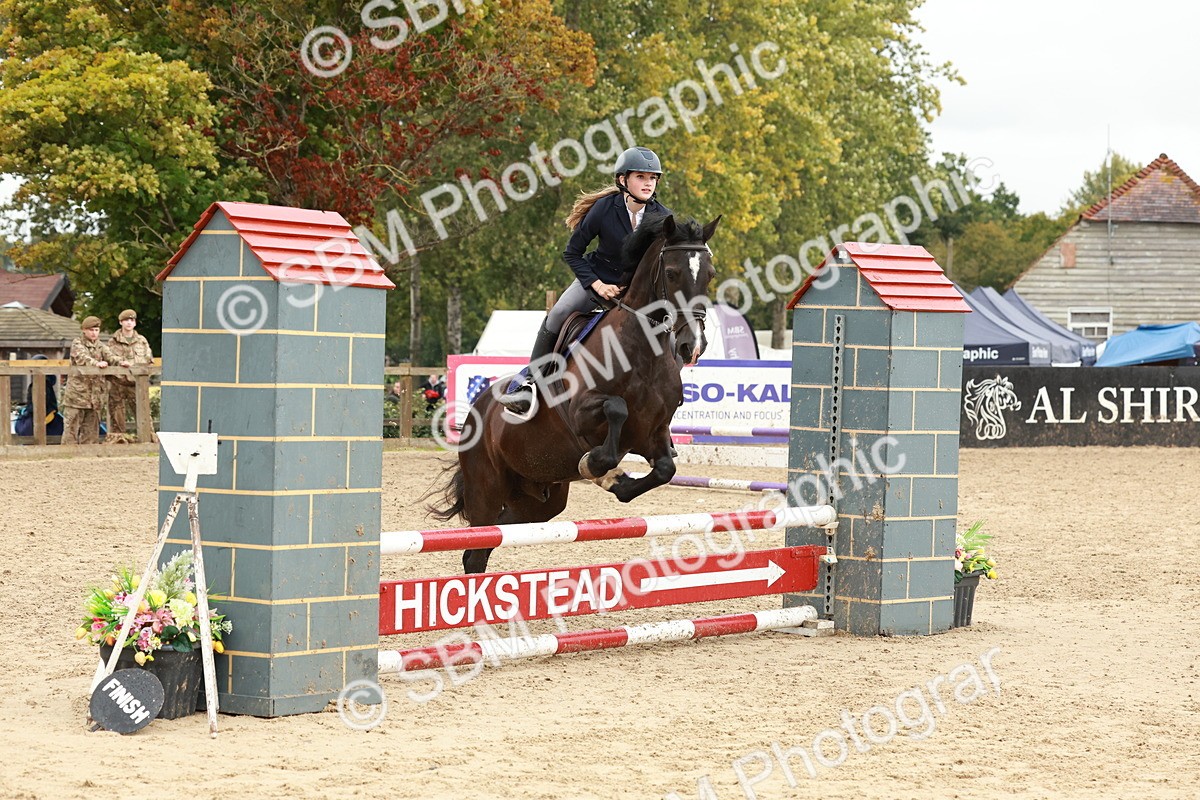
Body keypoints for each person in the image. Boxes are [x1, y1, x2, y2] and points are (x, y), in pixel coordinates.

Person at [499, 145, 672, 413]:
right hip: (597, 279)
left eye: (652, 178)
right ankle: (528, 383)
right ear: (622, 180)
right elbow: (573, 252)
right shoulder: (604, 208)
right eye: (640, 177)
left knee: (664, 329)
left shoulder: (662, 217)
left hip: (633, 290)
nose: (648, 183)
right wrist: (598, 285)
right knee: (558, 313)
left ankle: (660, 407)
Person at [61, 316, 128, 444]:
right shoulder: (77, 343)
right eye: (91, 330)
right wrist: (96, 363)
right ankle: (67, 456)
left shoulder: (100, 346)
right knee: (71, 430)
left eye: (96, 330)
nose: (94, 333)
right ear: (84, 330)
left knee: (91, 432)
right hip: (77, 396)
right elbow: (82, 358)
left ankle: (88, 458)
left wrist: (121, 362)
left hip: (95, 397)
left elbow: (110, 356)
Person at [106, 308, 154, 435]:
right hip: (118, 382)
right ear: (121, 322)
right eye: (126, 320)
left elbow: (148, 359)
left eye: (131, 320)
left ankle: (148, 440)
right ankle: (119, 442)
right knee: (116, 416)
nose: (129, 323)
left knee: (143, 413)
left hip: (136, 383)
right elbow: (108, 357)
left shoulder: (142, 340)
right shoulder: (112, 341)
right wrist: (120, 362)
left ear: (135, 323)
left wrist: (134, 365)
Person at [13, 354, 64, 437]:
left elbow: (38, 406)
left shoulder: (39, 384)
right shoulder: (47, 384)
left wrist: (26, 413)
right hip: (48, 417)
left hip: (44, 419)